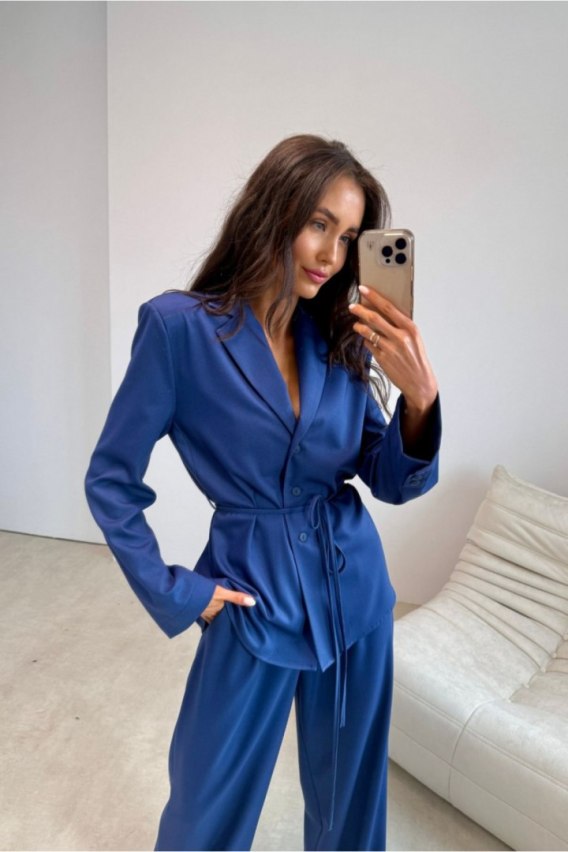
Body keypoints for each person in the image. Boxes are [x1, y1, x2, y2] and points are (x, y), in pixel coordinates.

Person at [84, 134, 441, 852]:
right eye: (318, 223)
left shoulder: (338, 336)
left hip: (354, 594)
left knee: (350, 813)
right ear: (271, 210)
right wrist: (182, 592)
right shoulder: (179, 330)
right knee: (205, 812)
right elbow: (111, 479)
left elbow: (387, 478)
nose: (331, 254)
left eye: (349, 238)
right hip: (252, 595)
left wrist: (419, 400)